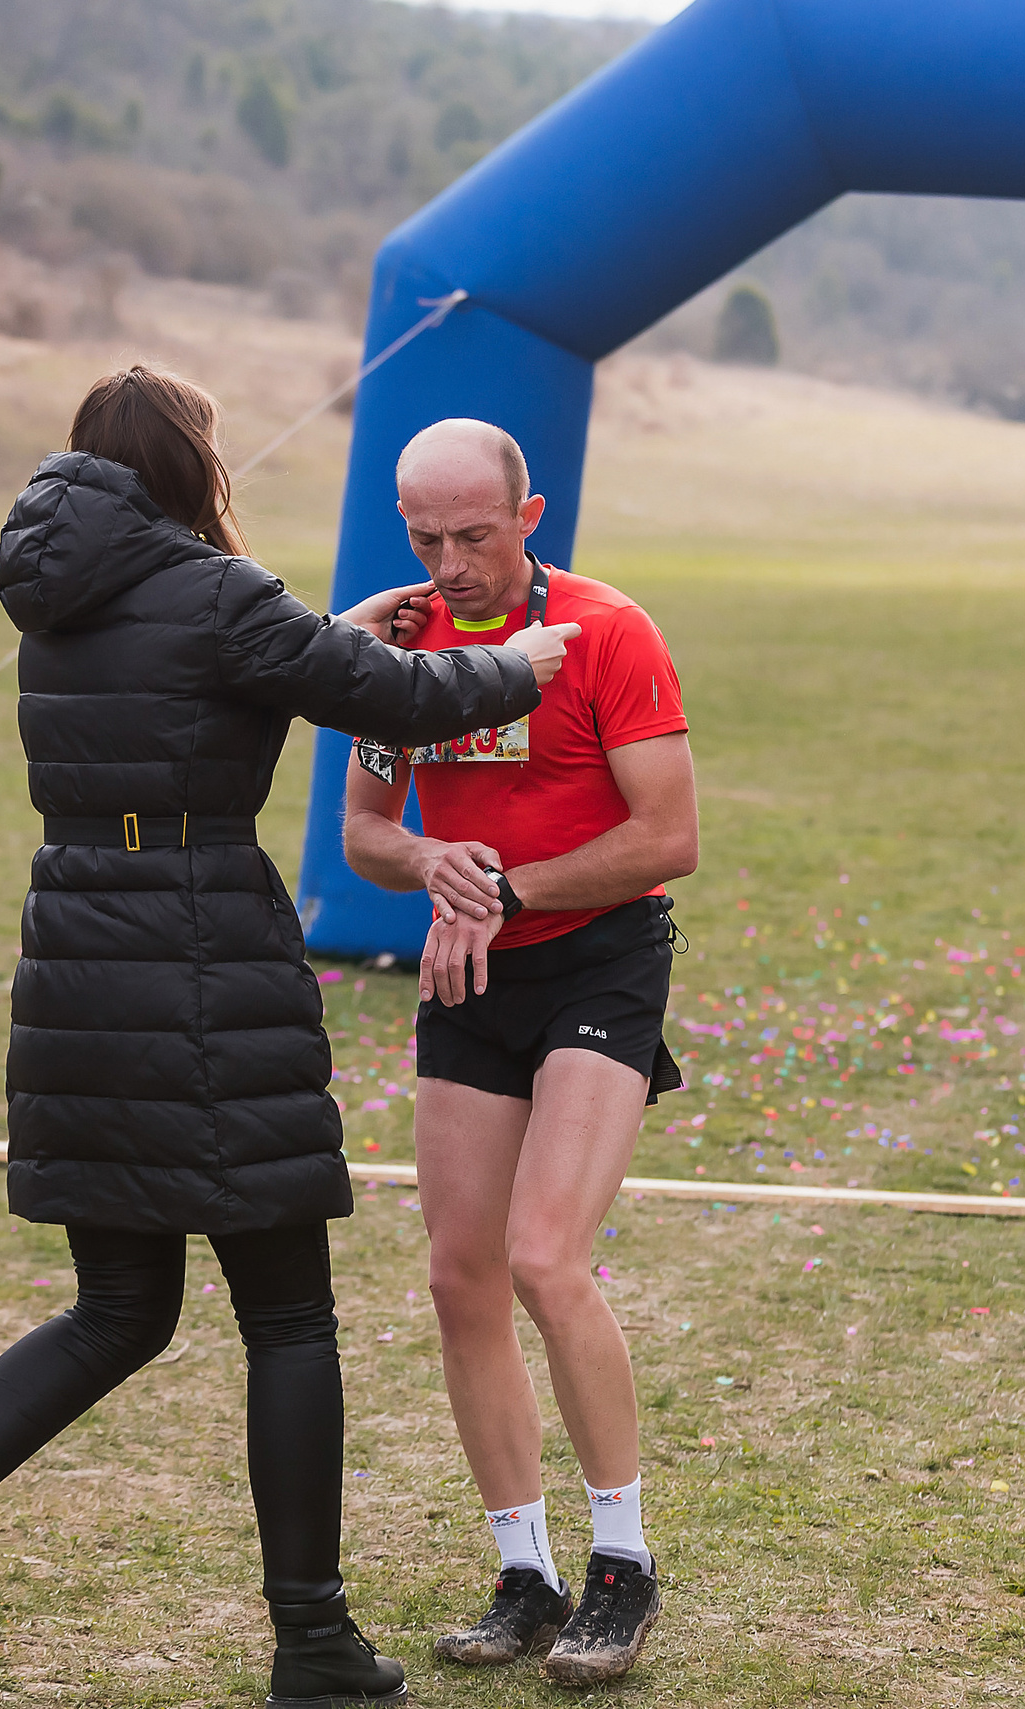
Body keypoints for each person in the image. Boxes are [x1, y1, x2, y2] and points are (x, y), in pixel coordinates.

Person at [0, 368, 578, 1707]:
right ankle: (313, 1639)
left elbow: (210, 681)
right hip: (197, 962)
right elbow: (394, 700)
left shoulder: (62, 596)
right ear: (188, 463)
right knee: (288, 1315)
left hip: (78, 955)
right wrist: (515, 666)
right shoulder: (217, 592)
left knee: (119, 1306)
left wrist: (328, 632)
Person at [341, 418, 697, 1687]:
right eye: (425, 537)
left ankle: (623, 1562)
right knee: (461, 1274)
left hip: (598, 961)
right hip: (471, 971)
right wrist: (431, 859)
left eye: (474, 535)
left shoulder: (608, 631)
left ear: (528, 516)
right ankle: (523, 1572)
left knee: (546, 1255)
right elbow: (365, 830)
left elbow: (668, 835)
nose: (450, 563)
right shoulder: (397, 644)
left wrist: (506, 887)